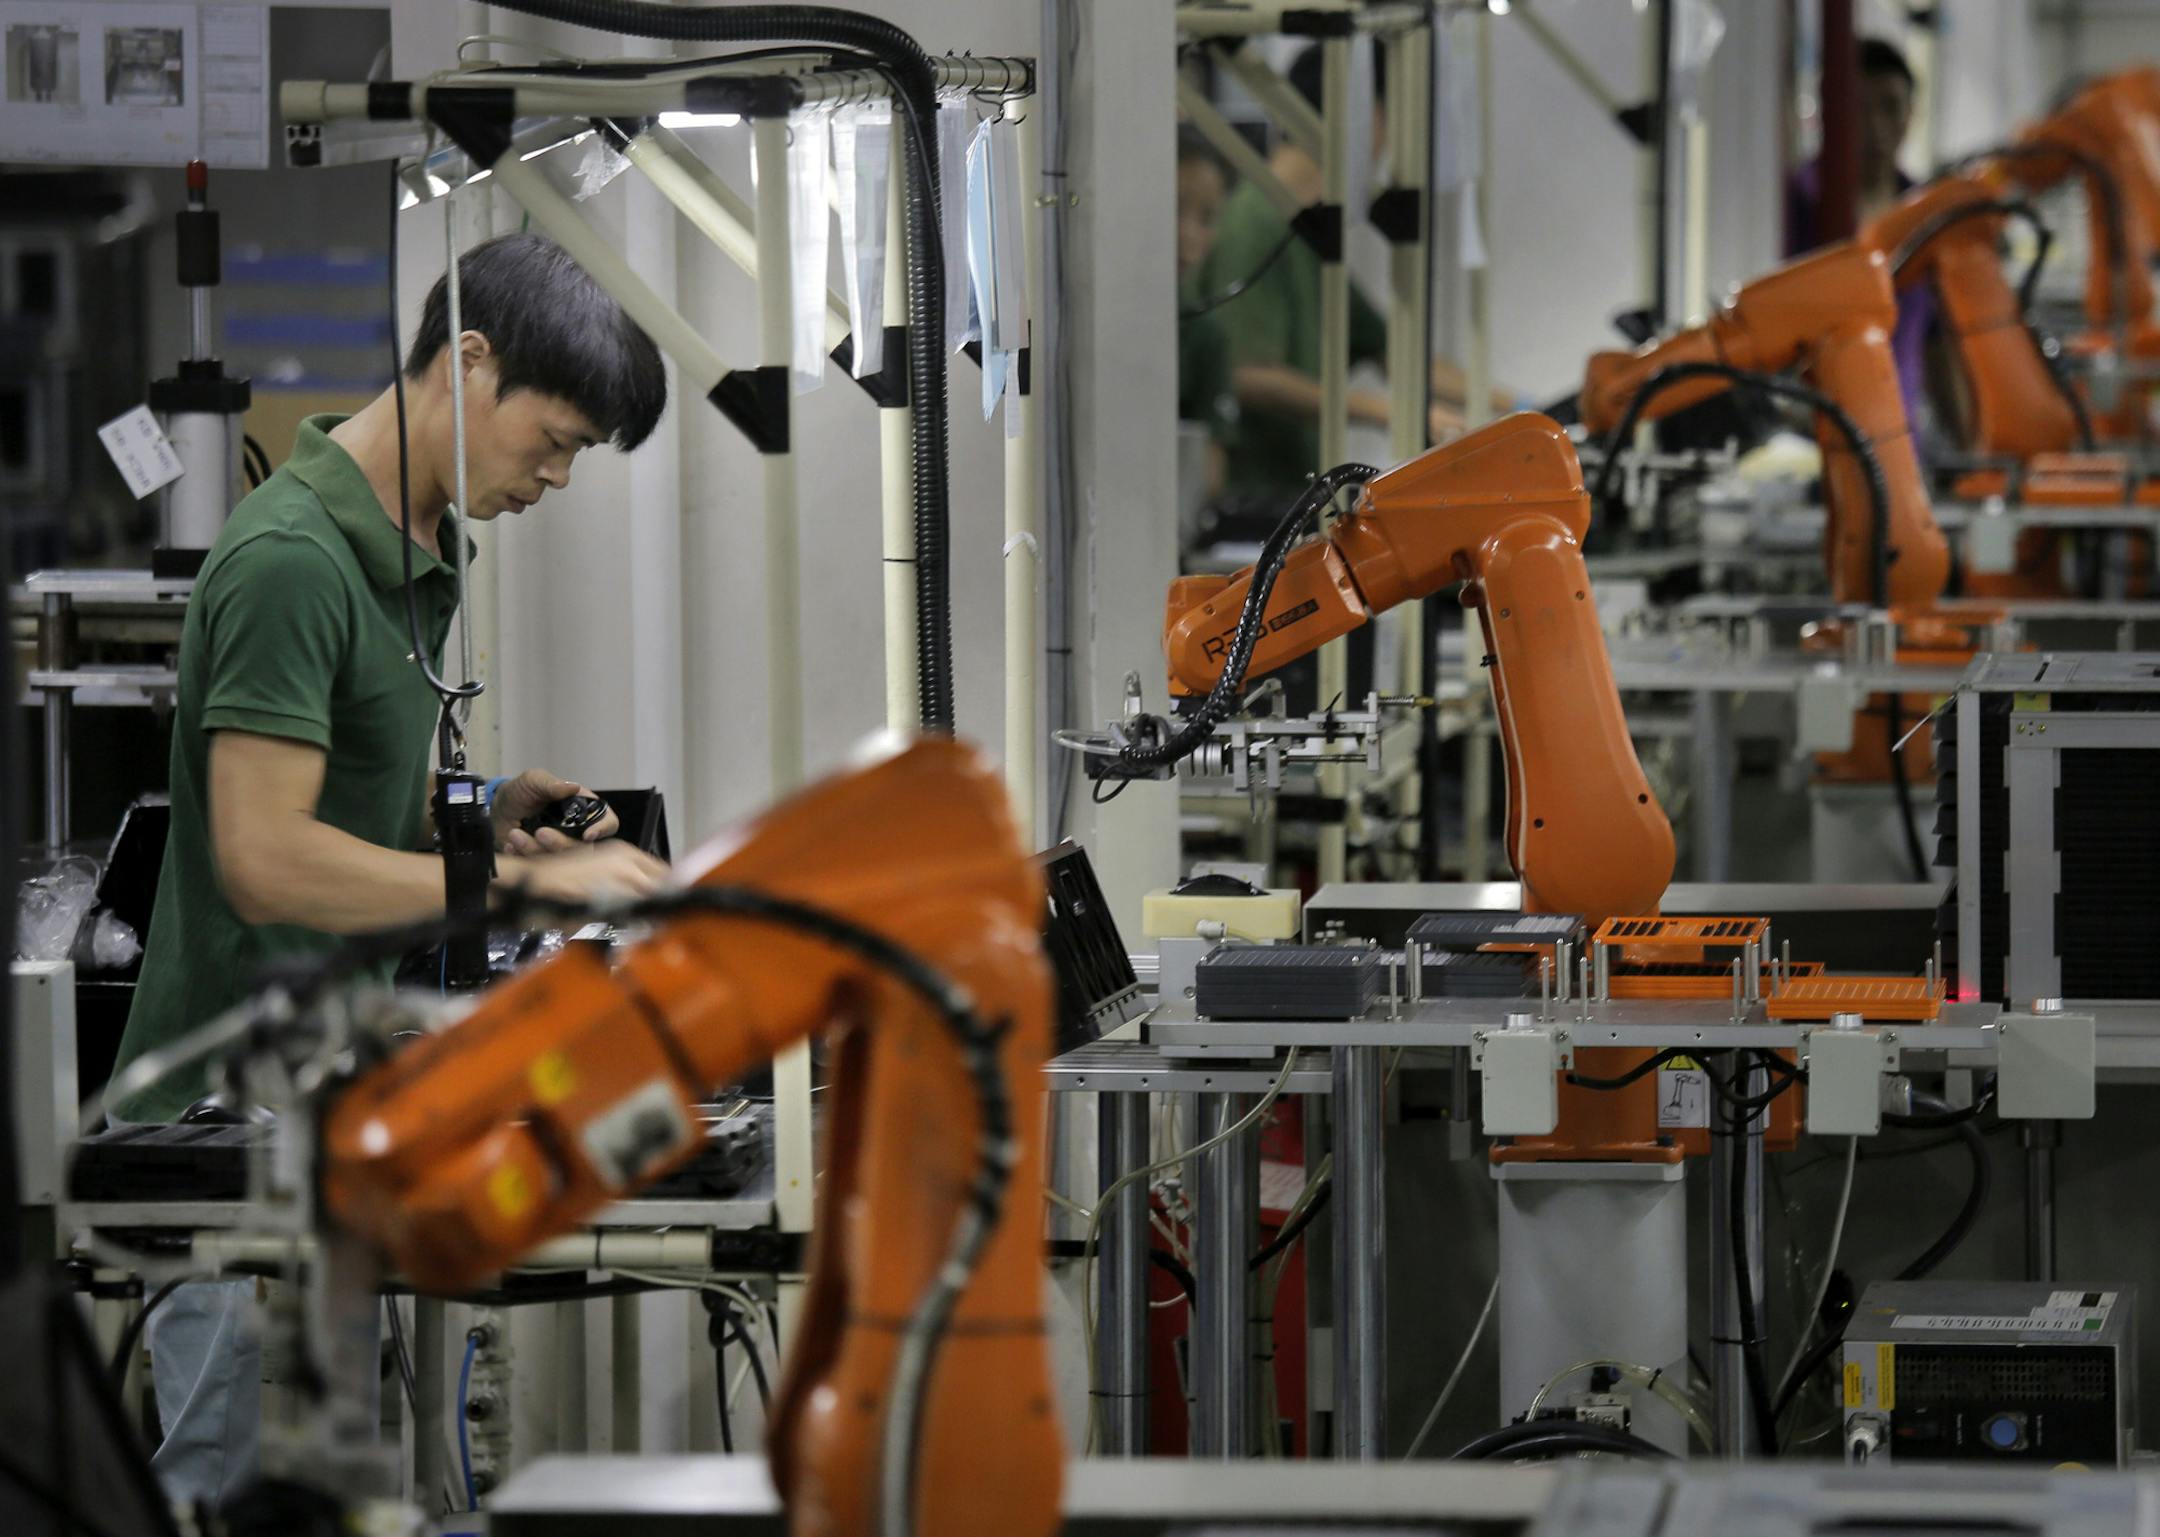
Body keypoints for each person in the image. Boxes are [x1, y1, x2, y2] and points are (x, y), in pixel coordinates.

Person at [108, 231, 672, 1508]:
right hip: (224, 1124)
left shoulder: (412, 546)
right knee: (238, 1493)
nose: (559, 477)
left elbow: (334, 782)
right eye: (558, 440)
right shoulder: (292, 563)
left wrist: (474, 812)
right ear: (468, 362)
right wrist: (524, 889)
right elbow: (264, 857)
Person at [1190, 43, 1475, 500]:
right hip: (1252, 498)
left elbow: (1392, 352)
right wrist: (1390, 411)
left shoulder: (1307, 232)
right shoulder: (1252, 224)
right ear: (1364, 116)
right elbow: (1246, 372)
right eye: (1388, 119)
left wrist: (1512, 405)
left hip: (1294, 494)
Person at [1786, 35, 1935, 423]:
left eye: (1890, 107)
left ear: (1911, 113)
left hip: (1901, 437)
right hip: (1810, 434)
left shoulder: (1925, 216)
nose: (1875, 126)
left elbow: (1939, 339)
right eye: (1858, 108)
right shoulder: (1797, 205)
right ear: (1830, 113)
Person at [1177, 128, 1239, 501]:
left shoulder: (1203, 333)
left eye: (1206, 218)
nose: (1188, 235)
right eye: (1173, 208)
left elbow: (1209, 475)